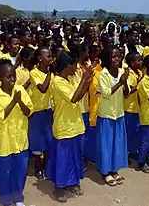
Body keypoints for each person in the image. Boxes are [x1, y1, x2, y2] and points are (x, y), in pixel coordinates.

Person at [46, 52, 91, 203]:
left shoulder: (69, 79)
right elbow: (74, 98)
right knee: (62, 159)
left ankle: (72, 183)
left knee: (74, 157)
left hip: (75, 124)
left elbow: (81, 94)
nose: (77, 68)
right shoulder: (58, 82)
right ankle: (59, 187)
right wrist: (84, 79)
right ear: (67, 66)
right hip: (63, 126)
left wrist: (86, 81)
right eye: (74, 65)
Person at [0, 58, 33, 206]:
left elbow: (29, 112)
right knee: (4, 173)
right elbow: (1, 116)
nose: (12, 79)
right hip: (3, 142)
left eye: (13, 75)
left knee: (20, 171)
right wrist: (14, 101)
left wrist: (20, 101)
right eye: (8, 76)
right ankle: (6, 199)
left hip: (20, 140)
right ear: (0, 78)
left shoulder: (20, 90)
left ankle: (17, 197)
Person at [97, 46, 129, 186]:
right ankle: (105, 172)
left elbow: (126, 93)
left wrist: (125, 82)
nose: (117, 59)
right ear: (107, 59)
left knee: (117, 144)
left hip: (119, 113)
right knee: (106, 144)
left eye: (119, 56)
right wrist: (120, 82)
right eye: (114, 56)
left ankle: (114, 169)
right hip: (106, 114)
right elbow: (106, 93)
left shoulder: (122, 71)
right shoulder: (103, 74)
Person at [28, 47, 54, 179]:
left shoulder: (52, 73)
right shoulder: (34, 73)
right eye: (48, 56)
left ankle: (47, 166)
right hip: (37, 111)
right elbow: (43, 88)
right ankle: (38, 167)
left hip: (49, 110)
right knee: (37, 141)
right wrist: (50, 72)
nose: (51, 59)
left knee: (49, 139)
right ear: (40, 58)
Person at [124, 52, 143, 160]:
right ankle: (125, 153)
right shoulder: (129, 74)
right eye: (139, 60)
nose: (141, 62)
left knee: (136, 132)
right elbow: (128, 91)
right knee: (128, 132)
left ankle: (133, 151)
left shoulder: (139, 72)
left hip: (138, 107)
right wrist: (139, 84)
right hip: (129, 108)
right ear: (132, 63)